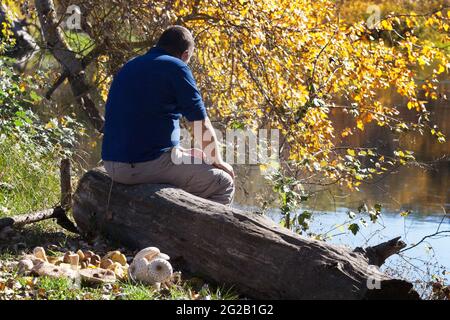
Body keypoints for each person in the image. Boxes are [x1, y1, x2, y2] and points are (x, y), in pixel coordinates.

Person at [101, 25, 235, 205]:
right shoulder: (177, 67)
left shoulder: (130, 65)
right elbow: (200, 124)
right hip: (144, 164)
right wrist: (217, 161)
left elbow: (140, 120)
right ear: (186, 54)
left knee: (193, 160)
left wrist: (179, 151)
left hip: (111, 163)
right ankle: (195, 231)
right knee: (223, 182)